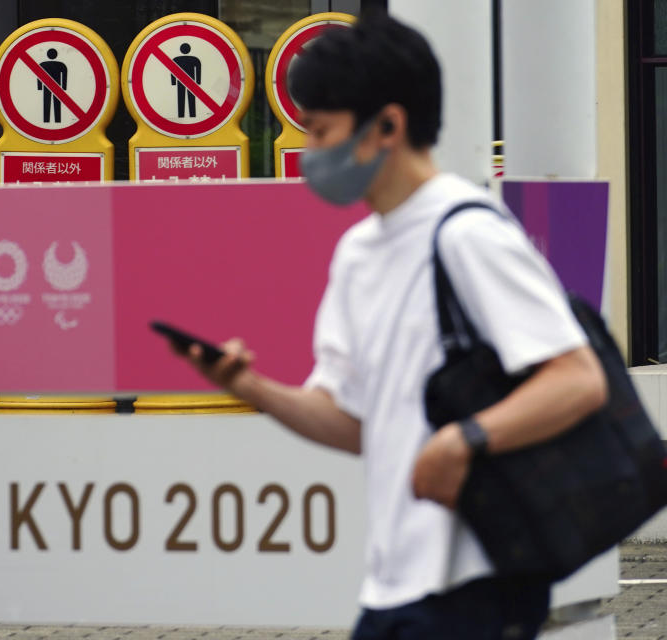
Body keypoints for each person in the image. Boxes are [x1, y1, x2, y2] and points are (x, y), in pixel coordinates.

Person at [164, 11, 608, 640]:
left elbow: (578, 379)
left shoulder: (469, 233)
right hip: (394, 588)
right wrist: (251, 388)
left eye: (320, 132)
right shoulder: (359, 253)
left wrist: (464, 440)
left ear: (389, 126)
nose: (310, 153)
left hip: (477, 587)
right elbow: (359, 424)